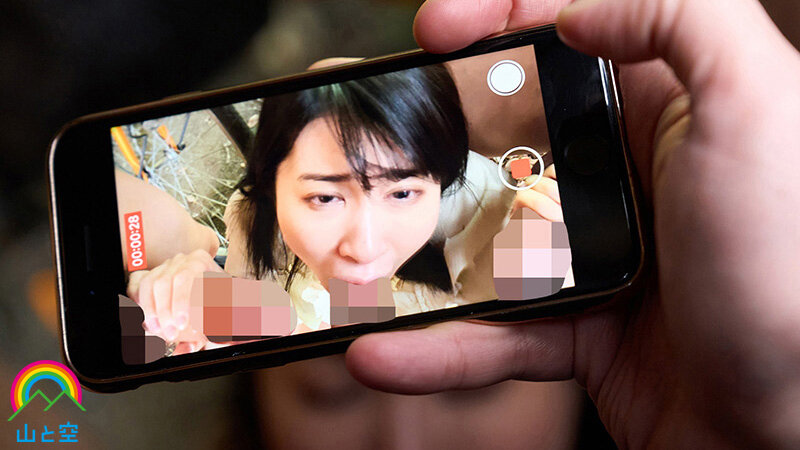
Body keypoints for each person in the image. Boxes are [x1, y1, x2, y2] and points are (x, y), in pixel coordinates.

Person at [345, 0, 800, 447]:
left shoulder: (524, 239)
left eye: (475, 393)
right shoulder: (343, 278)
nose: (402, 443)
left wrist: (769, 414)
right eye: (330, 393)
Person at [127, 62, 565, 347]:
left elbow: (489, 319)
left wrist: (527, 279)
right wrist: (203, 295)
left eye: (401, 193)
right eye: (325, 197)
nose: (364, 247)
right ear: (271, 181)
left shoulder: (488, 206)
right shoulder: (256, 217)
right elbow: (271, 316)